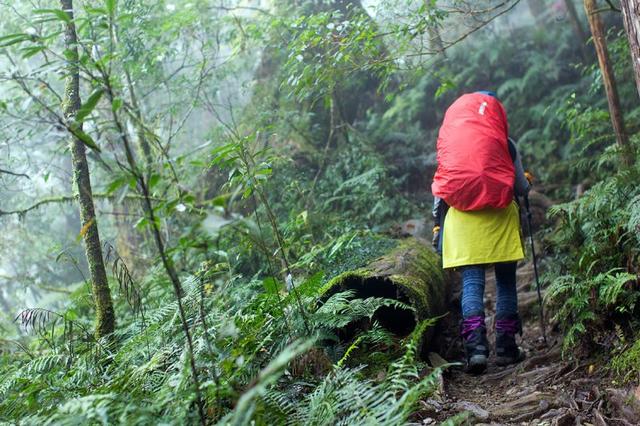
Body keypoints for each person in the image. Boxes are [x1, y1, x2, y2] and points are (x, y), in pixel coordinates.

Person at [431, 91, 531, 374]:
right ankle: (506, 347)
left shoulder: (452, 146)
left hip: (462, 221)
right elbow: (521, 188)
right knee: (505, 282)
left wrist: (437, 228)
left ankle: (475, 350)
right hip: (499, 217)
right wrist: (526, 182)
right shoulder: (505, 144)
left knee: (472, 284)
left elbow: (440, 190)